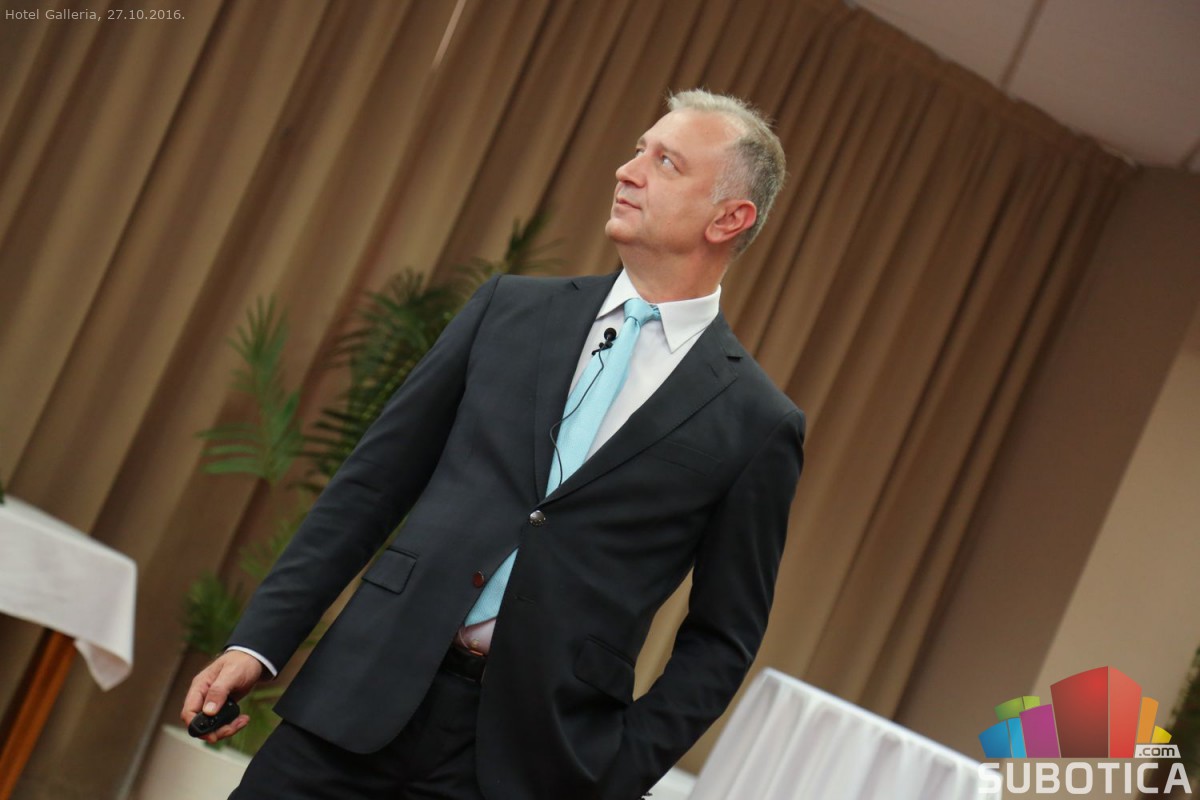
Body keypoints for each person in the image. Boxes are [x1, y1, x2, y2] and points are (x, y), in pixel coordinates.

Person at [182, 88, 805, 800]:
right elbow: (369, 488)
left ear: (729, 218)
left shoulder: (757, 421)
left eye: (666, 162)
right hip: (357, 698)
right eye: (639, 150)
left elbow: (722, 638)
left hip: (527, 763)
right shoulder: (507, 309)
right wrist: (259, 643)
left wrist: (614, 773)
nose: (627, 171)